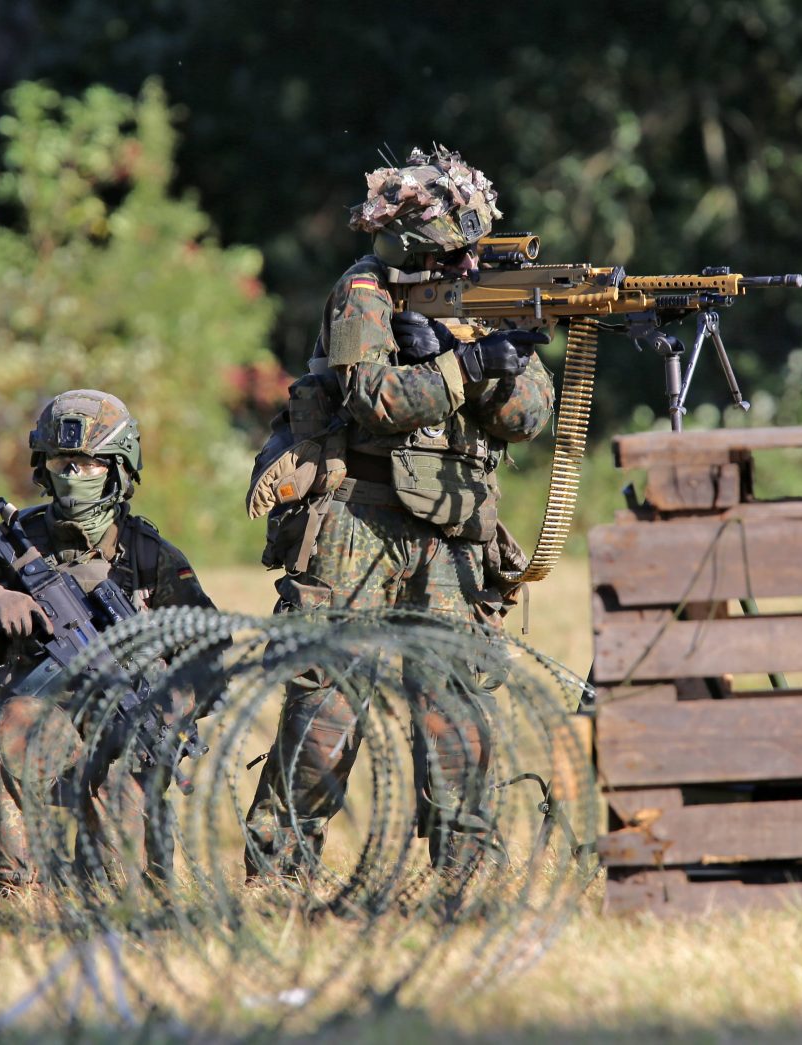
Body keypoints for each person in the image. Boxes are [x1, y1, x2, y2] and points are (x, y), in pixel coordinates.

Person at [243, 147, 555, 879]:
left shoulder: (484, 298)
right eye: (450, 257)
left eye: (471, 253)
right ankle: (279, 866)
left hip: (451, 529)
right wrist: (460, 367)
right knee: (328, 700)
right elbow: (375, 400)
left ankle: (467, 870)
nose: (468, 267)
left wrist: (477, 361)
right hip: (358, 518)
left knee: (457, 701)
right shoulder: (364, 292)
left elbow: (531, 415)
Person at [0, 389, 216, 894]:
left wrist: (169, 705)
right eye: (62, 463)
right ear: (43, 467)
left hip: (124, 738)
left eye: (89, 464)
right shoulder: (9, 546)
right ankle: (15, 892)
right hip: (43, 727)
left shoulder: (150, 556)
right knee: (17, 719)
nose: (73, 475)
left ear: (120, 469)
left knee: (123, 886)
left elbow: (209, 659)